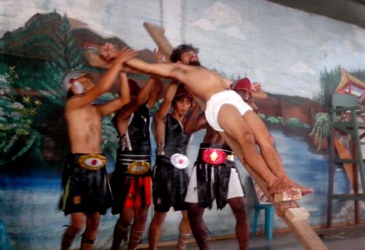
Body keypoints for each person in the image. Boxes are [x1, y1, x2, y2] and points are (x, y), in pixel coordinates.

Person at [99, 43, 311, 198]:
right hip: (219, 104)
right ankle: (272, 182)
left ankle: (285, 179)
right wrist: (117, 55)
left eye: (193, 52)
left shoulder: (209, 72)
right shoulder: (179, 70)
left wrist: (251, 88)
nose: (192, 55)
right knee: (245, 138)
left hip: (234, 99)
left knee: (267, 140)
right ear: (178, 60)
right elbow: (147, 68)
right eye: (187, 53)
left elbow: (232, 85)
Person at [49, 47, 137, 250]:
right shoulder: (73, 106)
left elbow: (124, 99)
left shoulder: (95, 110)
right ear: (73, 86)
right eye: (84, 80)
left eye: (89, 79)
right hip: (78, 167)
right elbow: (102, 88)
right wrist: (117, 62)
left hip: (97, 169)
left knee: (95, 220)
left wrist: (122, 72)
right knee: (78, 222)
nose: (89, 82)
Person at [182, 76, 260, 250]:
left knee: (241, 210)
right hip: (204, 165)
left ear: (247, 98)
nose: (238, 98)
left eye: (242, 96)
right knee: (193, 211)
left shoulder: (245, 116)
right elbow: (188, 128)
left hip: (226, 164)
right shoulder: (214, 111)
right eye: (236, 94)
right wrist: (199, 106)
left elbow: (253, 141)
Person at [104, 68, 163, 250]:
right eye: (129, 94)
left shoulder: (144, 113)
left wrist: (158, 70)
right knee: (127, 217)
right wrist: (153, 75)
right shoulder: (120, 116)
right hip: (126, 175)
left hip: (144, 174)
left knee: (142, 216)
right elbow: (139, 102)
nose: (135, 98)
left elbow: (155, 93)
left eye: (135, 93)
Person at [145, 82, 198, 250]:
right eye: (180, 101)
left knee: (190, 214)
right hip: (165, 171)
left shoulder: (189, 123)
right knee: (160, 215)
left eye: (187, 102)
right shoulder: (163, 120)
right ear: (174, 103)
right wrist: (175, 78)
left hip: (182, 173)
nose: (184, 105)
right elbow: (166, 100)